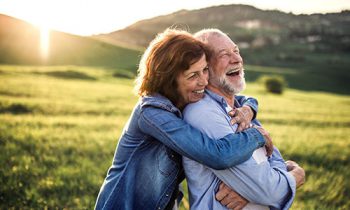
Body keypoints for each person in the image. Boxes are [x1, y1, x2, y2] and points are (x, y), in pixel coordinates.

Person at [94, 28, 272, 210]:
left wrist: (249, 108)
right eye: (193, 75)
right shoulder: (152, 113)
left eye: (204, 70)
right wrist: (257, 135)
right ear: (169, 80)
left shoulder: (183, 100)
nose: (203, 81)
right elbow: (217, 155)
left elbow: (240, 99)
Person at [183, 29, 305, 210]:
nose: (237, 59)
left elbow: (271, 160)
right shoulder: (203, 114)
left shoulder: (241, 110)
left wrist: (255, 190)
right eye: (224, 54)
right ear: (204, 69)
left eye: (236, 51)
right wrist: (297, 176)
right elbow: (269, 191)